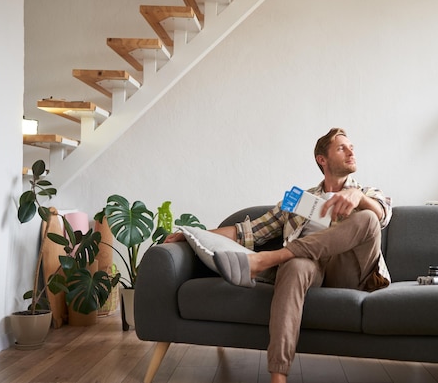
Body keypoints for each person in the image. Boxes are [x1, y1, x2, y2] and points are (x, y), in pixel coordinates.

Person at [167, 128, 392, 383]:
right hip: (309, 268)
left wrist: (358, 197)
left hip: (350, 270)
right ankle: (278, 376)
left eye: (352, 146)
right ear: (322, 159)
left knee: (368, 219)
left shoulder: (367, 192)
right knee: (294, 266)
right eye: (342, 147)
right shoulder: (299, 200)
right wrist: (193, 234)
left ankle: (268, 259)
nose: (351, 151)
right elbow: (248, 231)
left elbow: (382, 215)